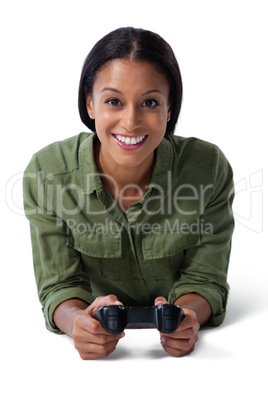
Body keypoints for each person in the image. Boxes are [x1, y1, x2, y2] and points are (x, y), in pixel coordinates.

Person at [23, 27, 234, 360]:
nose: (131, 121)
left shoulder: (207, 169)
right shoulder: (47, 173)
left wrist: (189, 317)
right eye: (113, 101)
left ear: (169, 107)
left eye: (149, 102)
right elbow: (59, 284)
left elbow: (205, 278)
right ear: (90, 103)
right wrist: (76, 321)